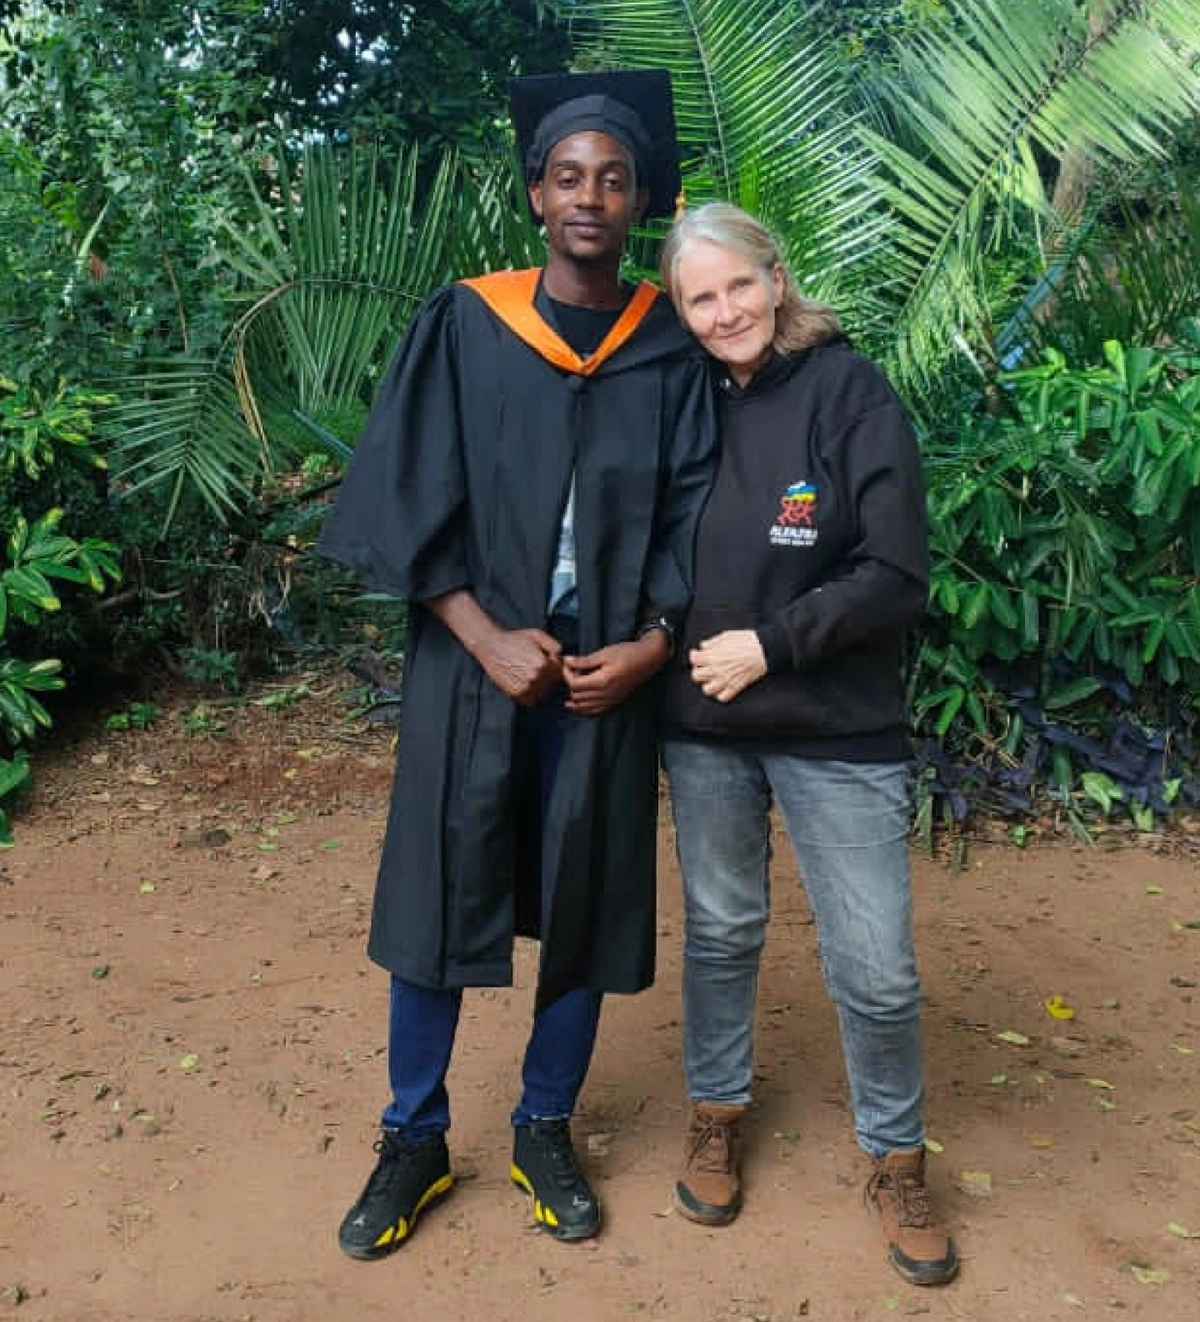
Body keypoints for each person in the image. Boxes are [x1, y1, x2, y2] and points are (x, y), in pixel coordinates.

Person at [317, 70, 716, 1261]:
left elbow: (702, 515)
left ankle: (547, 1121)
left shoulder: (671, 350)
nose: (590, 195)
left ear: (641, 199)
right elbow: (401, 496)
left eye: (614, 177)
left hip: (608, 672)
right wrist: (483, 633)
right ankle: (413, 1133)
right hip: (468, 664)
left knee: (586, 894)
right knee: (437, 885)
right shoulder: (465, 324)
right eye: (568, 176)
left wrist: (651, 644)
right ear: (536, 194)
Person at [656, 201, 958, 1287]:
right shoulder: (677, 398)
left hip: (839, 726)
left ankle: (896, 1153)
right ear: (681, 312)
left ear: (777, 280)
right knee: (723, 927)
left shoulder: (851, 392)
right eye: (701, 295)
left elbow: (895, 573)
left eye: (740, 283)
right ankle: (717, 1109)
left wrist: (772, 645)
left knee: (874, 965)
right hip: (703, 726)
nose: (726, 309)